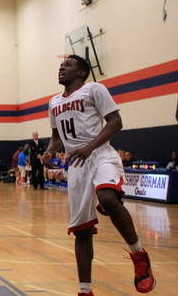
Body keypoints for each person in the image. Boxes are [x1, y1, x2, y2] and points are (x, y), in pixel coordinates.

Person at [44, 54, 155, 295]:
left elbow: (116, 122)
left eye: (68, 65)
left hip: (100, 154)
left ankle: (139, 255)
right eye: (60, 66)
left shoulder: (95, 88)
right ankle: (85, 290)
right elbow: (56, 137)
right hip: (76, 164)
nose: (62, 68)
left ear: (82, 72)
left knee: (106, 198)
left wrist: (90, 147)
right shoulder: (53, 102)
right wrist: (49, 152)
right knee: (82, 232)